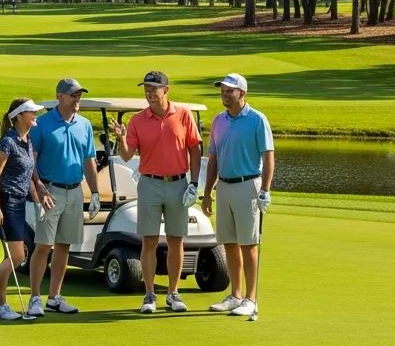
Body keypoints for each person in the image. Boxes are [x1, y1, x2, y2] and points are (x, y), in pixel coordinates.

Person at [111, 71, 202, 314]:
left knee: (176, 239)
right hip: (149, 184)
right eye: (146, 89)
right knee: (149, 240)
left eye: (154, 88)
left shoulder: (183, 114)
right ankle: (150, 294)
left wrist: (194, 183)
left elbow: (194, 149)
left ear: (166, 90)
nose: (149, 93)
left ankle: (173, 293)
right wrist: (121, 139)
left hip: (178, 183)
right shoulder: (138, 120)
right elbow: (127, 155)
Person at [201, 73, 275, 319]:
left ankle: (251, 299)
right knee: (229, 243)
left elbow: (268, 156)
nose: (224, 93)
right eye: (222, 90)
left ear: (242, 93)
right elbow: (213, 159)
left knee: (248, 244)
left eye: (229, 90)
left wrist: (265, 189)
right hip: (224, 186)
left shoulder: (257, 119)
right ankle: (235, 295)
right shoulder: (219, 120)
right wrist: (208, 192)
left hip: (248, 185)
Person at [27, 78, 101, 318]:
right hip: (50, 191)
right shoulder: (42, 125)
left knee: (64, 245)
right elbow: (31, 162)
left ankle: (54, 298)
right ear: (59, 96)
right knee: (43, 246)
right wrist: (38, 193)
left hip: (75, 191)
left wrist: (96, 192)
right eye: (72, 95)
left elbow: (89, 161)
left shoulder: (85, 125)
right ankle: (35, 298)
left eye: (79, 95)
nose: (77, 99)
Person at [0, 99, 46, 320]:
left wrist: (38, 195)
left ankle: (2, 305)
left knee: (8, 256)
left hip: (19, 202)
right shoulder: (8, 142)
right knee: (18, 255)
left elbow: (30, 173)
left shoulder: (27, 141)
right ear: (19, 116)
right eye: (31, 112)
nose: (35, 115)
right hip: (5, 201)